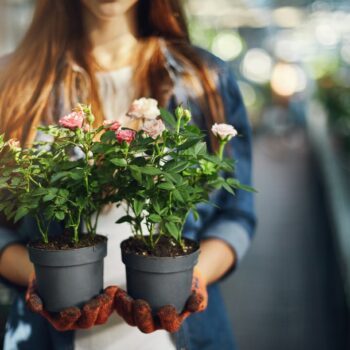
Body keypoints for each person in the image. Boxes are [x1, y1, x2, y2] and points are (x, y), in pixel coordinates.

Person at [0, 0, 256, 349]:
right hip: (44, 338)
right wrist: (40, 277)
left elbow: (236, 215)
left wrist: (192, 278)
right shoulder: (15, 82)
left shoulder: (204, 79)